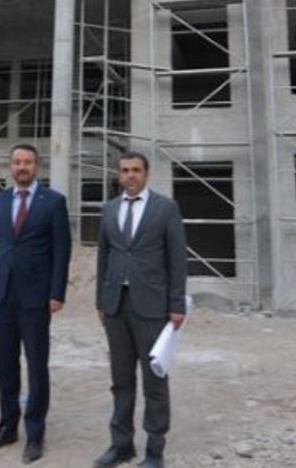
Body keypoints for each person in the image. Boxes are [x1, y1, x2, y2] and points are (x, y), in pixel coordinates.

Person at [0, 144, 71, 464]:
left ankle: (35, 433)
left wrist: (57, 293)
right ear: (10, 165)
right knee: (5, 365)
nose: (21, 167)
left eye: (27, 162)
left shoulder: (53, 201)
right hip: (2, 294)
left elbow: (61, 251)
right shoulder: (0, 200)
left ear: (37, 166)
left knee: (36, 365)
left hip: (36, 297)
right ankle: (7, 427)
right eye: (16, 162)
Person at [92, 152, 187, 468]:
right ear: (119, 175)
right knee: (121, 379)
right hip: (116, 305)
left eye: (135, 170)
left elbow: (177, 259)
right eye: (124, 170)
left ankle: (155, 450)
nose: (129, 175)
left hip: (152, 306)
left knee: (154, 380)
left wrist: (176, 304)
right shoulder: (109, 209)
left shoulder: (166, 208)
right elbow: (104, 257)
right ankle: (121, 445)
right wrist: (101, 301)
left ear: (146, 174)